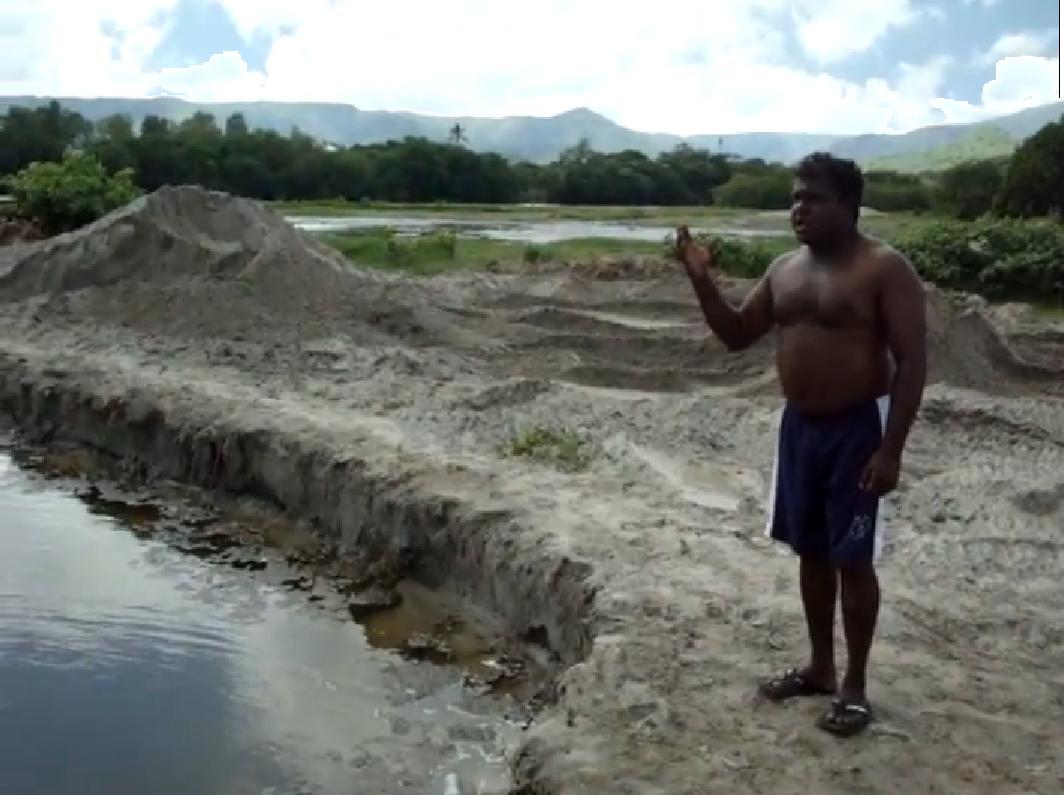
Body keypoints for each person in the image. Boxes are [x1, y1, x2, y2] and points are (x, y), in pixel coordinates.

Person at [674, 152, 927, 737]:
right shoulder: (784, 269)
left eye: (813, 199)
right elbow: (738, 334)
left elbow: (913, 362)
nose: (798, 209)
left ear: (848, 206)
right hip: (800, 430)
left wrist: (891, 451)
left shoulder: (883, 269)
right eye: (794, 198)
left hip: (857, 428)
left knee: (853, 558)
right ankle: (819, 667)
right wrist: (700, 278)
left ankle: (855, 687)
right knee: (811, 550)